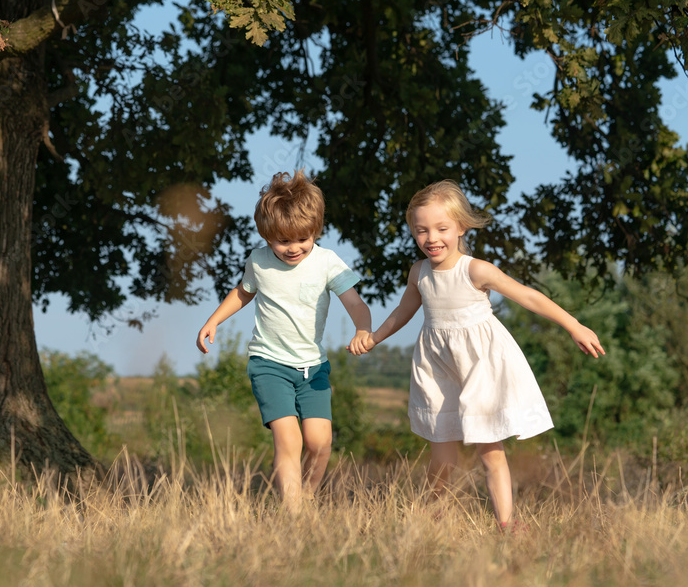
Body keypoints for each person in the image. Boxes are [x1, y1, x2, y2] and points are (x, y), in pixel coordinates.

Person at [352, 179, 605, 529]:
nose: (432, 238)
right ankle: (432, 517)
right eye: (421, 230)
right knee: (441, 452)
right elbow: (403, 311)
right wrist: (375, 337)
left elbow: (527, 296)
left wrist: (573, 325)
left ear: (460, 227)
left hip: (480, 367)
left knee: (490, 450)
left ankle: (506, 523)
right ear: (412, 231)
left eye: (442, 228)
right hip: (437, 367)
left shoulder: (475, 269)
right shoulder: (419, 273)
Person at [197, 170, 372, 512]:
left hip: (314, 368)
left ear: (316, 230)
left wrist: (362, 329)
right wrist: (213, 320)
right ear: (266, 235)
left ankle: (306, 497)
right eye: (283, 241)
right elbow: (243, 293)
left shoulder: (326, 262)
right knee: (288, 438)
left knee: (320, 443)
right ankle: (294, 516)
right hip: (269, 364)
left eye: (303, 239)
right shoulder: (258, 262)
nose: (293, 248)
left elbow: (355, 303)